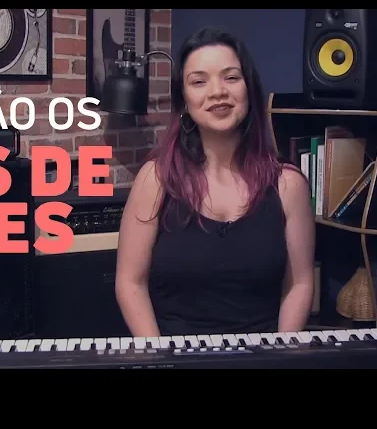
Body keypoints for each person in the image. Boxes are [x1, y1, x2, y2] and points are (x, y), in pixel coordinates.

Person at [114, 27, 316, 337]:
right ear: (184, 100)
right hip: (173, 355)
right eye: (199, 81)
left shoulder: (289, 185)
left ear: (249, 89)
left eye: (231, 77)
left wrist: (282, 352)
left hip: (262, 354)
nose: (217, 91)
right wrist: (157, 353)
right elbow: (130, 283)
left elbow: (299, 284)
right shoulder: (155, 179)